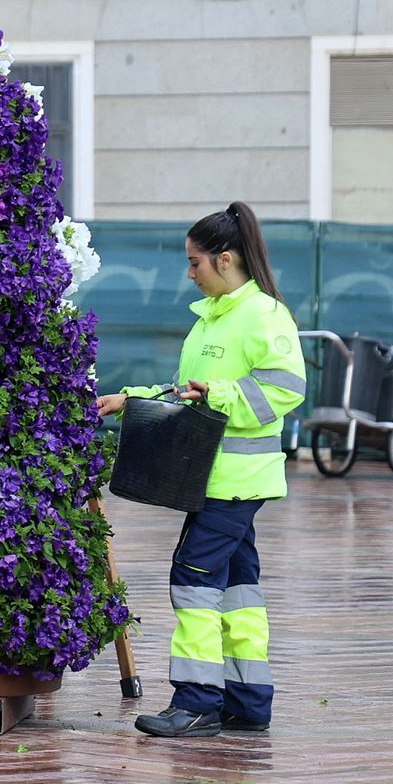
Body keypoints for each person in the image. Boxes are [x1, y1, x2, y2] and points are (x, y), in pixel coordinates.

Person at [96, 202, 306, 738]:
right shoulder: (216, 318)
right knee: (238, 588)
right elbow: (190, 396)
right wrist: (129, 398)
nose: (189, 273)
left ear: (225, 259)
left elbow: (286, 390)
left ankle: (196, 702)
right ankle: (248, 701)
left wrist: (223, 394)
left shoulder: (263, 315)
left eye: (195, 262)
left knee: (191, 580)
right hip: (214, 481)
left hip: (234, 484)